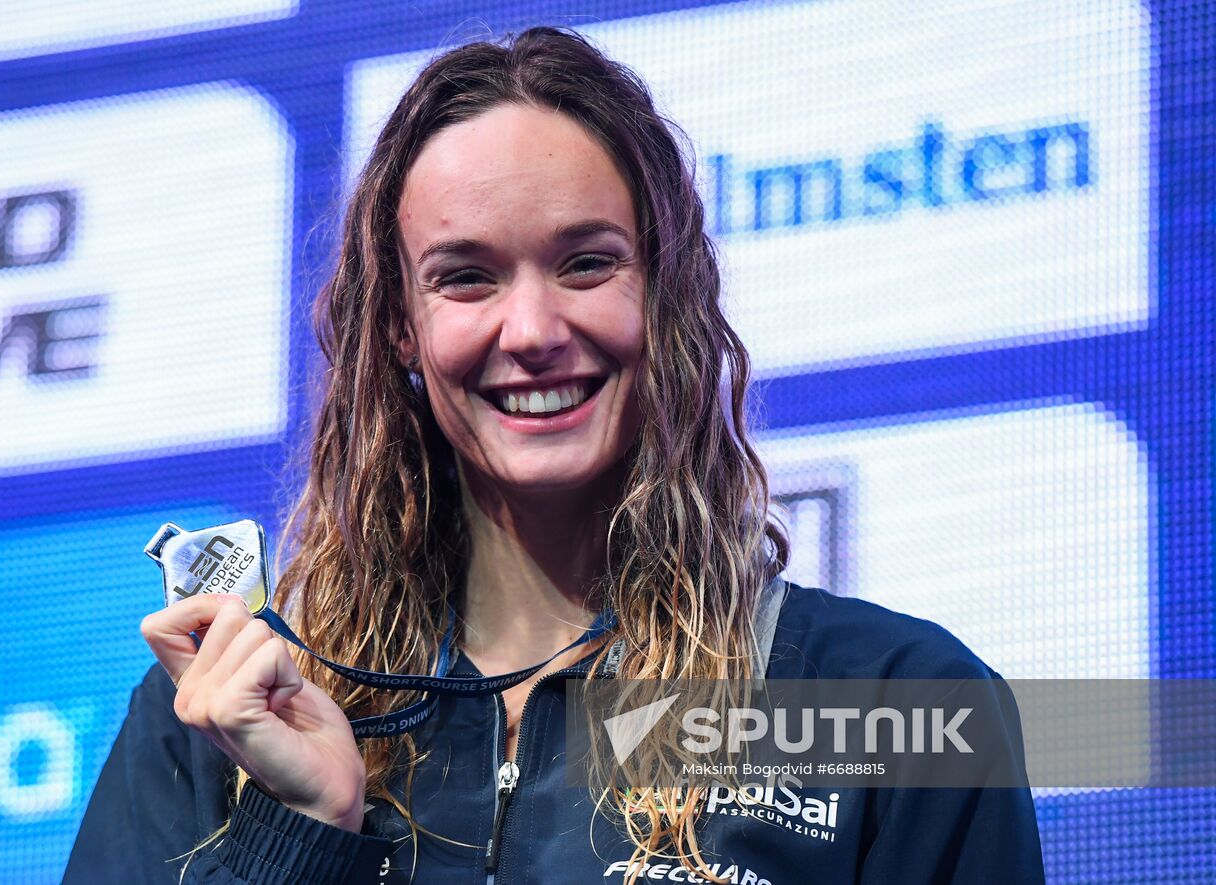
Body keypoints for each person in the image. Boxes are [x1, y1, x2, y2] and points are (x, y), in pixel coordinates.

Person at [63, 26, 1045, 885]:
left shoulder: (892, 703)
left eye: (585, 263)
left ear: (667, 294)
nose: (530, 328)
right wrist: (302, 836)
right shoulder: (229, 705)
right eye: (465, 278)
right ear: (399, 327)